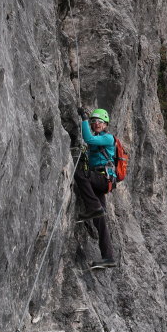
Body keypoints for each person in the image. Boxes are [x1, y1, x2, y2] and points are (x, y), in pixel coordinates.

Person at [74, 107, 117, 269]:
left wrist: (84, 119)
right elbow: (91, 145)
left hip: (102, 178)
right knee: (100, 220)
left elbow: (89, 139)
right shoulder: (99, 139)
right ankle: (108, 257)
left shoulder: (108, 138)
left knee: (80, 174)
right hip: (100, 181)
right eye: (93, 122)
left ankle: (93, 207)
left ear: (106, 124)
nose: (96, 124)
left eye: (99, 122)